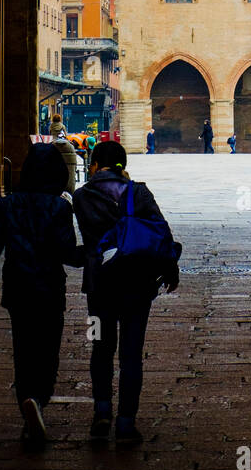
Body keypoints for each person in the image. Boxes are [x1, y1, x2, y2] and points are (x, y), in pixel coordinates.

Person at [0, 144, 83, 445]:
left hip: (18, 288)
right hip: (49, 288)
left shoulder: (8, 205)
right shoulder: (60, 207)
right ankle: (39, 401)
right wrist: (98, 250)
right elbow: (68, 253)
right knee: (48, 351)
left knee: (23, 350)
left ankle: (27, 403)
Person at [74, 141, 181, 446]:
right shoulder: (138, 192)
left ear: (95, 165)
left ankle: (102, 411)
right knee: (132, 353)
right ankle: (125, 423)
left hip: (100, 284)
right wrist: (170, 269)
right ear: (122, 164)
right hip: (137, 282)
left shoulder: (81, 197)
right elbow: (162, 231)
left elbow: (90, 240)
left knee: (101, 348)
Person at [50, 113, 78, 193]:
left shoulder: (51, 126)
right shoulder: (62, 126)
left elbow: (50, 133)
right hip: (65, 147)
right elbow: (65, 135)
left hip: (54, 143)